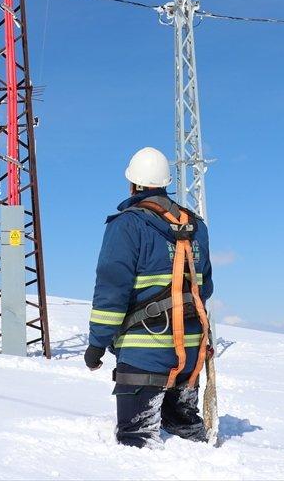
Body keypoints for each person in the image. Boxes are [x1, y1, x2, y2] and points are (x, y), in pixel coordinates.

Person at [84, 147, 213, 448]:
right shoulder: (196, 228)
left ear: (133, 185)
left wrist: (96, 345)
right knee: (186, 436)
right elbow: (203, 289)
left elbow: (111, 291)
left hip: (145, 354)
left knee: (137, 443)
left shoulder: (127, 225)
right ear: (166, 182)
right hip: (190, 354)